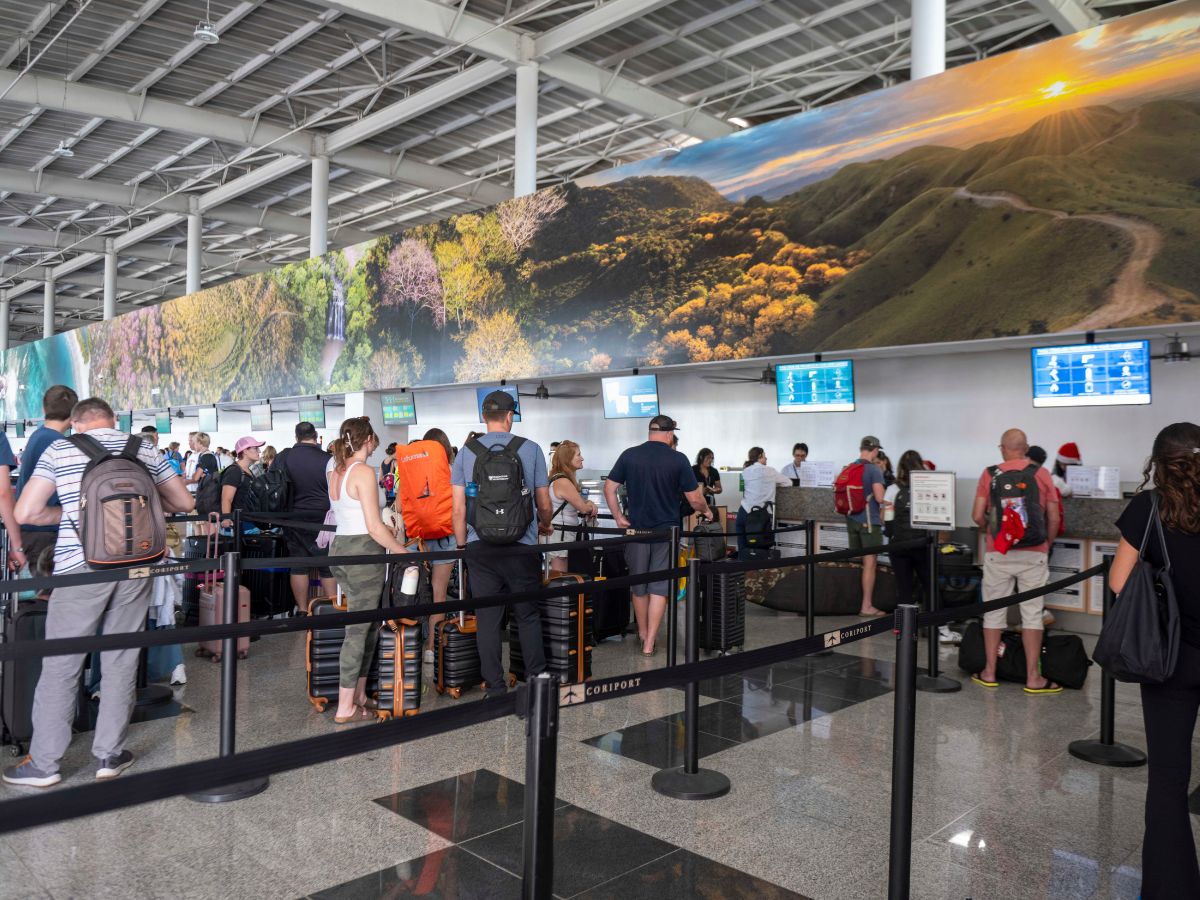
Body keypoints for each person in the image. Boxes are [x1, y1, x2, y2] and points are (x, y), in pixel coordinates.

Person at [3, 398, 194, 787]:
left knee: (62, 663)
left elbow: (25, 512)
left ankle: (45, 763)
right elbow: (184, 502)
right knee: (121, 660)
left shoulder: (61, 449)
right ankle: (109, 755)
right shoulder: (143, 449)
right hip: (137, 566)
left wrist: (73, 515)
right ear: (114, 420)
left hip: (80, 569)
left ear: (76, 423)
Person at [1109, 423, 1200, 899]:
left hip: (1173, 659)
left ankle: (1171, 889)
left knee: (1168, 781)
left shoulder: (1149, 507)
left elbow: (1119, 582)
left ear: (1159, 462)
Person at [451, 391, 553, 698]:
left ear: (484, 417)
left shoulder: (466, 453)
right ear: (510, 416)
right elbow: (543, 502)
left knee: (488, 620)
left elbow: (458, 509)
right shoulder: (531, 449)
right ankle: (536, 683)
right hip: (522, 545)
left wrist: (462, 546)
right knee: (528, 615)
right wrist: (544, 524)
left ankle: (494, 688)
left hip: (480, 546)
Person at [604, 415, 709, 656]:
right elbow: (694, 499)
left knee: (638, 585)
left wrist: (618, 517)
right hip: (666, 533)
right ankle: (650, 642)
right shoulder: (678, 459)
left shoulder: (630, 455)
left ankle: (642, 633)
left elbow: (609, 487)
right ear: (670, 434)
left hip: (636, 531)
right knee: (659, 587)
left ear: (650, 431)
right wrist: (706, 510)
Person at [326, 417, 407, 723]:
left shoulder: (338, 470)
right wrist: (401, 551)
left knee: (367, 625)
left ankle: (358, 695)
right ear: (368, 440)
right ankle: (345, 706)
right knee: (358, 631)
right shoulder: (363, 471)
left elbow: (354, 518)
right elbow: (373, 526)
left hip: (341, 548)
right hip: (363, 553)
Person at [970, 428, 1060, 693]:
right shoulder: (1041, 474)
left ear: (1002, 448)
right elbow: (1053, 517)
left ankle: (989, 672)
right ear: (1026, 448)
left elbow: (977, 515)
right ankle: (1034, 678)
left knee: (994, 611)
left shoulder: (989, 474)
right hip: (1035, 552)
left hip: (999, 551)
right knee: (1032, 613)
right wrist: (1045, 544)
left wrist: (993, 533)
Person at [882, 450, 959, 644]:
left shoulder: (893, 489)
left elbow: (885, 518)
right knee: (930, 586)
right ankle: (942, 630)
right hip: (923, 545)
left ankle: (903, 630)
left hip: (898, 546)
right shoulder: (928, 487)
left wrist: (892, 531)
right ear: (920, 465)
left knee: (904, 588)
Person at [406, 427, 458, 664]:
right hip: (445, 537)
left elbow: (401, 504)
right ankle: (431, 648)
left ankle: (407, 643)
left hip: (416, 538)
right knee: (439, 594)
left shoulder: (412, 468)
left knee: (409, 592)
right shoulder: (451, 471)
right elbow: (458, 507)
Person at [16, 385, 78, 574]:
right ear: (73, 414)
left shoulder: (39, 436)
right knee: (54, 588)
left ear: (44, 409)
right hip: (46, 531)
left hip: (34, 530)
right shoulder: (58, 444)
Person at [278, 422, 337, 615]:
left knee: (298, 566)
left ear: (296, 436)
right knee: (327, 566)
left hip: (292, 517)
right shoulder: (328, 459)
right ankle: (331, 609)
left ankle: (302, 610)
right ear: (316, 435)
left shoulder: (284, 457)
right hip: (323, 518)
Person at [842, 436, 889, 617]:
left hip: (851, 520)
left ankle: (850, 602)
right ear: (875, 450)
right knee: (870, 564)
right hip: (869, 522)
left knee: (856, 561)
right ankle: (866, 605)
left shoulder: (849, 467)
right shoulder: (873, 469)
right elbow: (880, 498)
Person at [543, 440, 598, 575]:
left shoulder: (558, 478)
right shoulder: (563, 482)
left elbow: (578, 502)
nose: (582, 458)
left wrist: (588, 503)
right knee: (560, 575)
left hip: (560, 533)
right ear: (568, 459)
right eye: (578, 455)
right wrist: (591, 506)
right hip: (559, 534)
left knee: (560, 574)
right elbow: (583, 508)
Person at [737, 446, 790, 560]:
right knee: (761, 542)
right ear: (760, 456)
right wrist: (773, 483)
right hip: (762, 514)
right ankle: (761, 567)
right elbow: (788, 482)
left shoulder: (745, 471)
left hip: (745, 510)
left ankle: (742, 562)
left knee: (742, 539)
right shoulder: (771, 471)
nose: (766, 458)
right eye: (765, 455)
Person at [220, 436, 263, 532]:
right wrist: (227, 519)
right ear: (245, 451)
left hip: (249, 523)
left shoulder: (247, 471)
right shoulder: (234, 471)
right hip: (237, 527)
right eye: (255, 448)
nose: (259, 451)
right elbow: (226, 499)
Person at [379, 442, 397, 508]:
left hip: (385, 490)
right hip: (393, 490)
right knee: (393, 508)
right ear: (395, 452)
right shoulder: (394, 461)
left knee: (387, 507)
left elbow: (380, 478)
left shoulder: (383, 462)